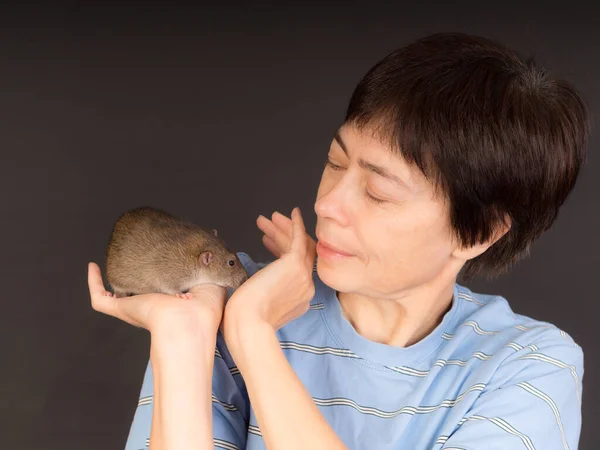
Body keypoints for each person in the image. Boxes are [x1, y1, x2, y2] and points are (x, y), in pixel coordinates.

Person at [87, 32, 589, 449]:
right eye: (334, 162)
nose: (327, 204)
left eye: (377, 191)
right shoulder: (214, 300)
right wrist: (182, 335)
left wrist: (253, 336)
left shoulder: (530, 366)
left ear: (478, 232)